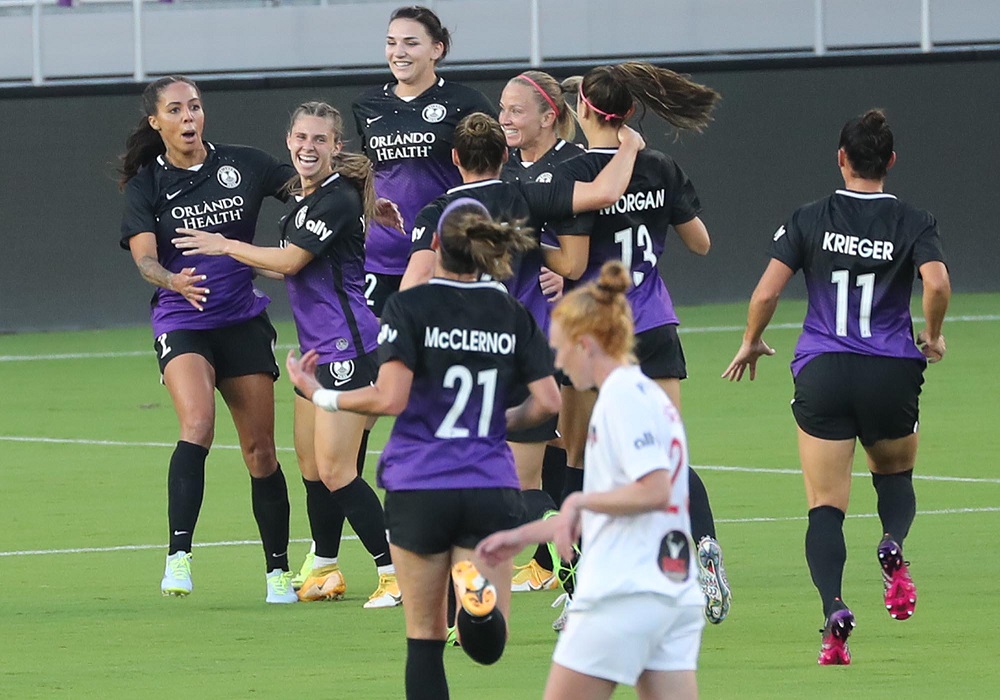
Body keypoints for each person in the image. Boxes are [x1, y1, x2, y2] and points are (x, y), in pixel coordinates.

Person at [287, 199, 561, 700]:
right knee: (486, 645)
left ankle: (464, 598)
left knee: (424, 640)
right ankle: (474, 598)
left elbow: (389, 397)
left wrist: (319, 392)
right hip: (488, 483)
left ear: (435, 246)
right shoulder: (510, 311)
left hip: (418, 486)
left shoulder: (407, 307)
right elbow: (548, 401)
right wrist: (501, 422)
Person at [722, 109, 950, 665]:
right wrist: (934, 335)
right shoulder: (914, 220)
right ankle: (892, 544)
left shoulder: (809, 217)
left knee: (826, 505)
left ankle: (833, 614)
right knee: (894, 476)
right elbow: (937, 281)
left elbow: (766, 293)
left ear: (841, 159)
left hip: (823, 370)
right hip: (890, 371)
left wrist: (752, 339)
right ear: (890, 162)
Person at [399, 111, 644, 597]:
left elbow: (412, 289)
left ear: (454, 159)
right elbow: (604, 193)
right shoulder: (523, 196)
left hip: (463, 366)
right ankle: (569, 568)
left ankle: (469, 608)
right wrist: (630, 148)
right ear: (505, 155)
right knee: (526, 487)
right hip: (521, 354)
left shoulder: (439, 214)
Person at [171, 101, 402, 608]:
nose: (307, 147)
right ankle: (324, 567)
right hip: (318, 351)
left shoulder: (337, 198)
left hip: (349, 348)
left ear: (336, 147)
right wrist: (240, 266)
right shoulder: (306, 201)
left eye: (319, 139)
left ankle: (396, 572)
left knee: (339, 470)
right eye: (300, 137)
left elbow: (292, 258)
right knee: (313, 467)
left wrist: (227, 246)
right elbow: (290, 269)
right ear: (289, 140)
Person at [542, 62, 731, 625]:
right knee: (668, 454)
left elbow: (572, 262)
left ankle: (584, 594)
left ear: (582, 111)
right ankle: (705, 548)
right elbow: (700, 243)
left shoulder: (573, 173)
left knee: (578, 459)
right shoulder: (658, 166)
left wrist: (533, 250)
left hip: (595, 338)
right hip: (653, 325)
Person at [478, 261, 704, 700]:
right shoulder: (645, 396)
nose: (558, 363)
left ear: (586, 345)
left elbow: (654, 489)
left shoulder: (622, 399)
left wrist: (580, 504)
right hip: (671, 593)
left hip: (622, 593)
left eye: (560, 350)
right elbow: (617, 504)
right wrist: (521, 535)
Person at [119, 76, 296, 603]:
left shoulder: (244, 163)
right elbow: (145, 257)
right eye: (176, 109)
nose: (189, 116)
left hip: (241, 320)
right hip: (183, 318)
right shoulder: (146, 182)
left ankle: (278, 573)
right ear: (157, 122)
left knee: (261, 451)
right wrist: (172, 279)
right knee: (197, 423)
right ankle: (178, 558)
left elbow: (310, 189)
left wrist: (360, 192)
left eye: (195, 106)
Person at [353, 4, 496, 317]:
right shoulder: (366, 105)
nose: (398, 52)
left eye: (410, 43)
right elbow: (367, 173)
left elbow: (497, 173)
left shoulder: (466, 102)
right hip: (381, 258)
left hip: (447, 252)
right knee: (385, 358)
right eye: (391, 42)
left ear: (437, 49)